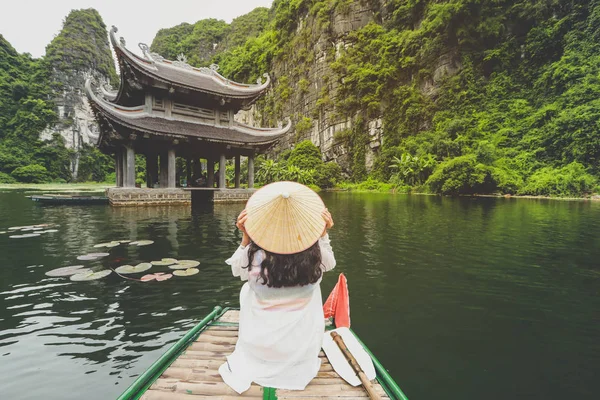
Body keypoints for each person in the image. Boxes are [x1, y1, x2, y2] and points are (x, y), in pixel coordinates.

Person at [219, 181, 336, 394]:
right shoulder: (313, 256)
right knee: (313, 291)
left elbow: (237, 271)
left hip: (260, 347)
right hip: (299, 349)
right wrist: (323, 234)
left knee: (247, 289)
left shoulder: (257, 255)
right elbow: (330, 264)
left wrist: (245, 238)